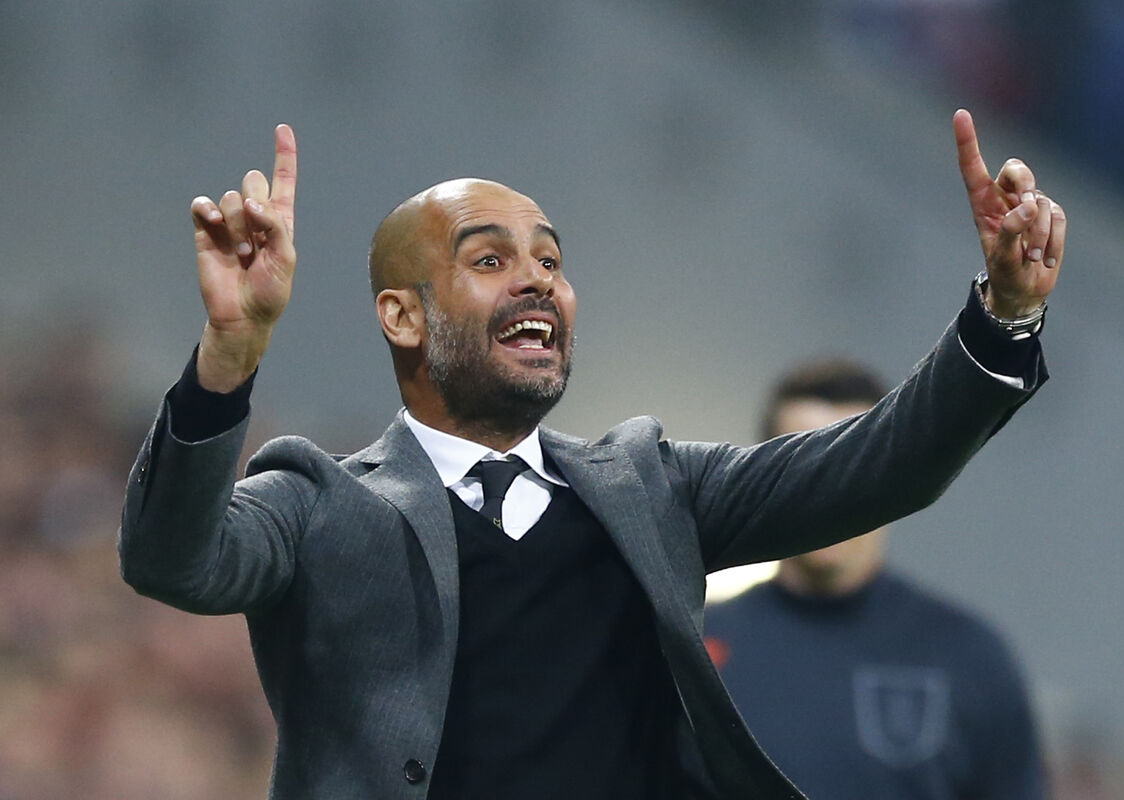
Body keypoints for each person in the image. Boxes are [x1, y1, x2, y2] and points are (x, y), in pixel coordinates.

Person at [119, 110, 1066, 800]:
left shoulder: (653, 486)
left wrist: (1006, 314)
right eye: (490, 260)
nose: (537, 280)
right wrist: (230, 355)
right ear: (403, 316)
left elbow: (882, 464)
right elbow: (173, 559)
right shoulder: (318, 501)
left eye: (550, 260)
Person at [704, 358, 1045, 800]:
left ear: (895, 476)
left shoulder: (970, 657)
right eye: (802, 466)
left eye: (853, 465)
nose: (828, 492)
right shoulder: (696, 649)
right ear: (761, 477)